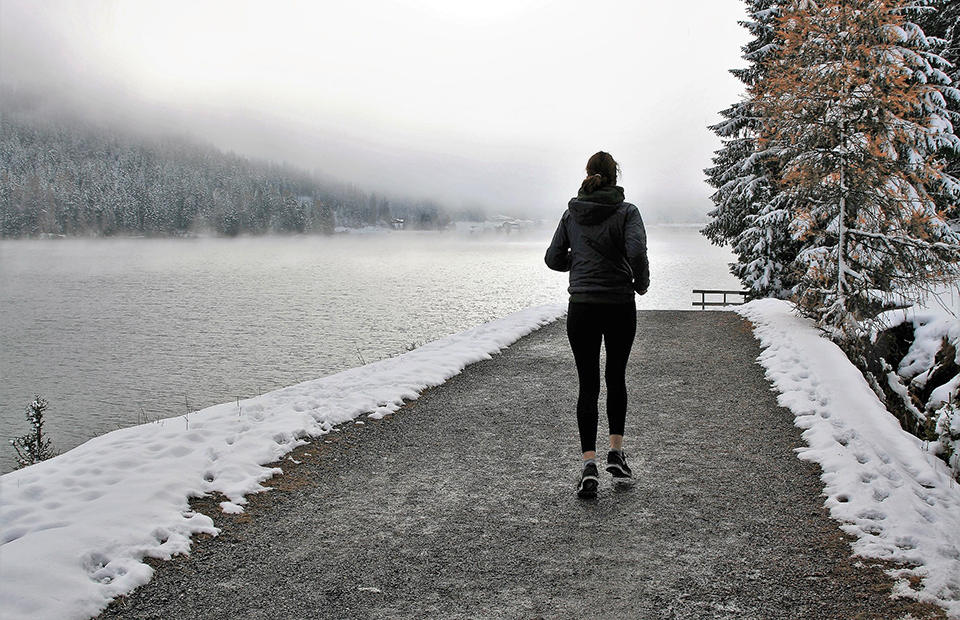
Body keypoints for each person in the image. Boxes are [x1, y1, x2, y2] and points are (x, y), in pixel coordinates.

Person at [544, 151, 649, 498]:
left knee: (587, 384)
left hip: (582, 308)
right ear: (615, 176)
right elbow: (636, 252)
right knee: (615, 377)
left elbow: (553, 258)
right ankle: (615, 454)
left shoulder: (572, 212)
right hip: (619, 304)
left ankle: (588, 464)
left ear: (588, 174)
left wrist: (579, 261)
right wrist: (640, 283)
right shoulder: (627, 212)